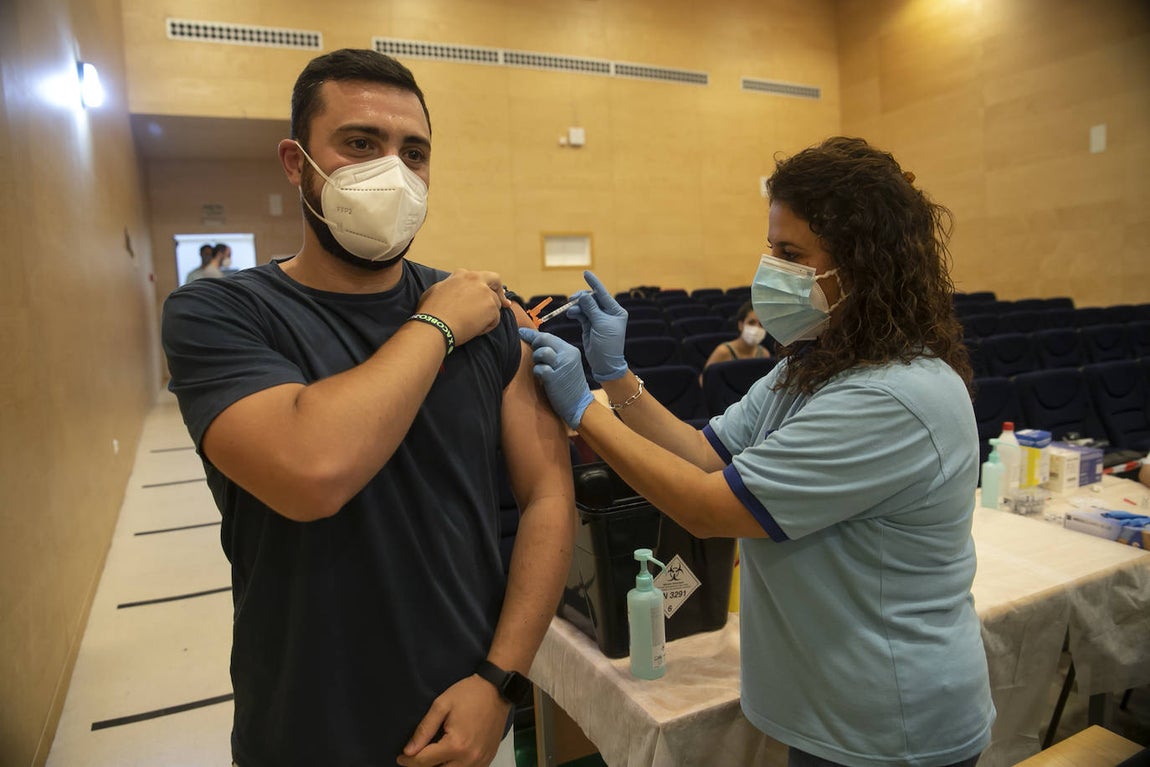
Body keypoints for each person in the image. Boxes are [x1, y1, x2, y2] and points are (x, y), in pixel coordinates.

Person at [521, 137, 995, 767]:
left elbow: (709, 507)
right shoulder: (815, 363)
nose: (770, 267)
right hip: (831, 708)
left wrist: (584, 414)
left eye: (791, 253)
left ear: (862, 267)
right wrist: (616, 378)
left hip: (890, 726)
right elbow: (702, 455)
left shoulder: (895, 396)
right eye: (772, 246)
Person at [161, 48, 575, 767]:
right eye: (360, 143)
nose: (393, 170)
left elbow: (548, 498)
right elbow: (311, 469)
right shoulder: (220, 313)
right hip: (303, 724)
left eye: (414, 152)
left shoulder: (486, 314)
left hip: (464, 717)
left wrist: (500, 680)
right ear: (296, 162)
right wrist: (436, 325)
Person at [701, 300, 771, 381]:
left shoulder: (764, 354)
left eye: (761, 325)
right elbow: (703, 380)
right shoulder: (723, 351)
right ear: (740, 325)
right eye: (751, 323)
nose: (757, 328)